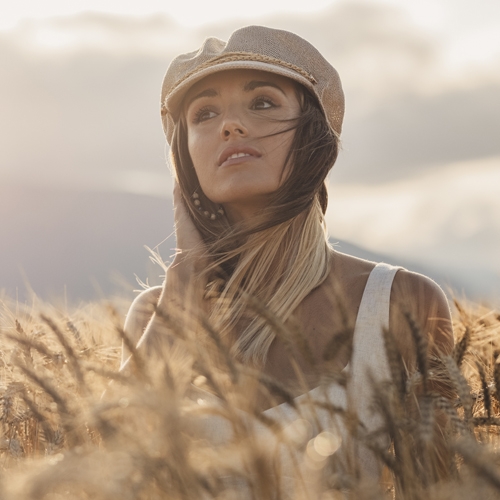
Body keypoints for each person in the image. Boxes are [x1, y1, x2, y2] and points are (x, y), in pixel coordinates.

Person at [121, 26, 454, 491]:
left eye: (262, 103)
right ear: (185, 155)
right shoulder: (155, 318)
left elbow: (442, 488)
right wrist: (185, 275)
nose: (229, 125)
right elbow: (109, 467)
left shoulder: (401, 303)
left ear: (313, 133)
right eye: (204, 113)